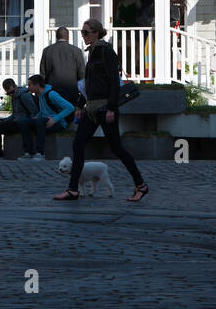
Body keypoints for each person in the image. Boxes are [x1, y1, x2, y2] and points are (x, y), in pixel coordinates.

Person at [54, 18, 147, 202]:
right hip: (92, 109)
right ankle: (73, 189)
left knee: (116, 148)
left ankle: (141, 185)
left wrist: (112, 107)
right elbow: (87, 84)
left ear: (96, 33)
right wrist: (80, 105)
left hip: (105, 108)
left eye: (86, 32)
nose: (83, 35)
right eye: (82, 32)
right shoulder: (92, 53)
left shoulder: (106, 52)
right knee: (78, 144)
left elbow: (114, 80)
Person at [16, 74, 75, 160]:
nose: (28, 87)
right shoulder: (40, 95)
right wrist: (37, 117)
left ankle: (40, 153)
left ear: (37, 85)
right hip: (44, 121)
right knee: (23, 121)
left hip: (59, 123)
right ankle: (28, 153)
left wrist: (54, 120)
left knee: (40, 121)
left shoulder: (51, 94)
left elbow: (70, 107)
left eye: (30, 85)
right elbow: (43, 110)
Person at [0, 78, 37, 158]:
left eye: (12, 92)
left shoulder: (24, 95)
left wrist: (29, 124)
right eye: (8, 94)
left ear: (15, 86)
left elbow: (34, 111)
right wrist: (4, 121)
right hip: (15, 121)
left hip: (22, 123)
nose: (11, 95)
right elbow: (14, 114)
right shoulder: (14, 97)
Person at [39, 27, 85, 106]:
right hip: (71, 92)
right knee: (69, 116)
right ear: (68, 37)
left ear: (56, 37)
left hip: (52, 92)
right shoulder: (76, 51)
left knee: (54, 117)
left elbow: (43, 74)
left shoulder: (47, 50)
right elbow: (82, 74)